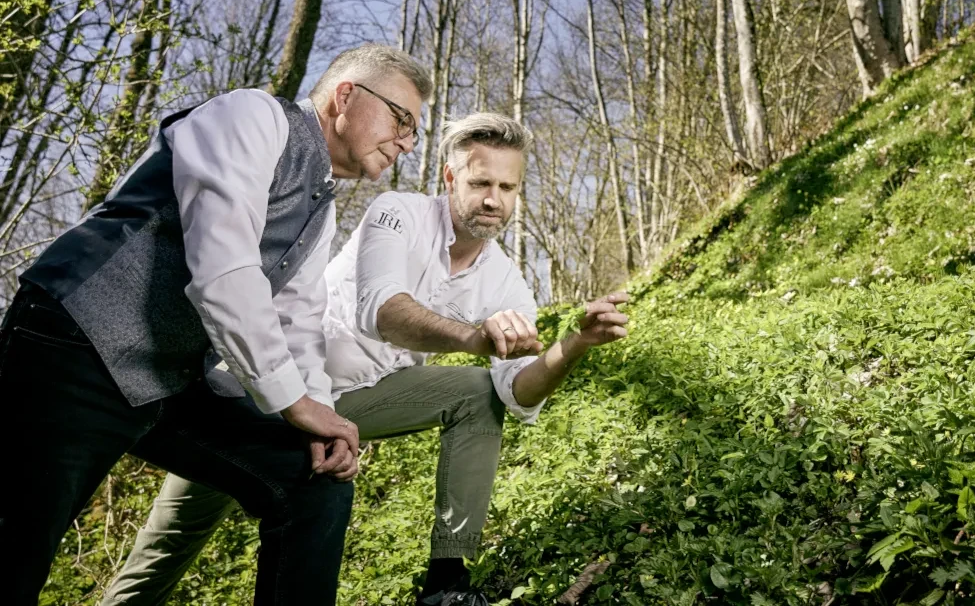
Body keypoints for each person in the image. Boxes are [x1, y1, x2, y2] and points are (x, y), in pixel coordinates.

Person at [100, 112, 629, 606]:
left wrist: (573, 345)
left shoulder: (506, 281)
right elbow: (383, 311)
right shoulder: (396, 212)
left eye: (507, 188)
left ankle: (448, 584)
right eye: (481, 183)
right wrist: (476, 338)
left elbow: (518, 392)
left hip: (352, 405)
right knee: (166, 547)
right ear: (450, 177)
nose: (494, 200)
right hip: (265, 392)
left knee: (476, 394)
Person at [0, 44, 433, 605]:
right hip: (73, 343)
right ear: (346, 95)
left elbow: (299, 320)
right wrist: (290, 401)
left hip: (168, 379)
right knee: (13, 557)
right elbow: (224, 271)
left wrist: (319, 415)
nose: (405, 142)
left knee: (313, 483)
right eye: (401, 119)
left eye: (415, 132)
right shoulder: (250, 116)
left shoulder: (321, 208)